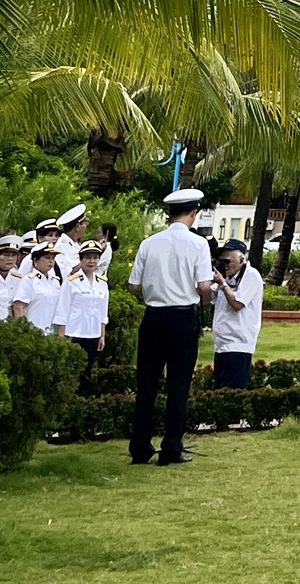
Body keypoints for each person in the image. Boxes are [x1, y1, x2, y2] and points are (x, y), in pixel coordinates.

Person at [125, 188, 215, 466]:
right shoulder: (198, 244)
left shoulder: (149, 243)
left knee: (147, 384)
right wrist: (206, 301)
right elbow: (202, 285)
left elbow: (133, 285)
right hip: (182, 317)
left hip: (153, 317)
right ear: (194, 213)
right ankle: (171, 448)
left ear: (169, 214)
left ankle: (140, 448)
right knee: (178, 385)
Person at [206, 240, 263, 388]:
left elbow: (237, 304)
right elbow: (205, 299)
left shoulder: (251, 275)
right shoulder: (227, 277)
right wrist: (204, 279)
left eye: (227, 261)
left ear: (241, 260)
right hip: (221, 345)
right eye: (221, 261)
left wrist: (223, 284)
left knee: (233, 394)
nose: (224, 265)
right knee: (220, 393)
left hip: (239, 346)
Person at [61, 245, 111, 361]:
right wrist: (61, 338)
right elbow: (62, 311)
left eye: (95, 257)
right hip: (75, 333)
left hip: (94, 334)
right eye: (88, 257)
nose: (92, 261)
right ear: (80, 259)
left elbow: (103, 313)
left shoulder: (102, 283)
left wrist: (102, 336)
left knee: (88, 371)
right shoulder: (71, 282)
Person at [23, 245, 65, 337]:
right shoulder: (28, 280)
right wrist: (22, 331)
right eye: (46, 258)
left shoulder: (55, 281)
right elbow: (19, 307)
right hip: (34, 331)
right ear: (35, 261)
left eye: (53, 258)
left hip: (52, 332)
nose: (51, 261)